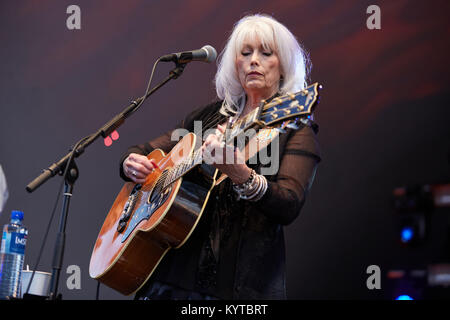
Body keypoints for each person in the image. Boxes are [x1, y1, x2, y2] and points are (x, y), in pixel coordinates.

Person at [119, 14, 321, 300]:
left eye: (266, 53)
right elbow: (142, 150)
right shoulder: (206, 118)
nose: (253, 61)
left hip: (238, 286)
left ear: (284, 66)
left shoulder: (294, 128)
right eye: (245, 53)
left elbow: (288, 205)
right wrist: (131, 163)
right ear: (234, 63)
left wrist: (240, 173)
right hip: (169, 277)